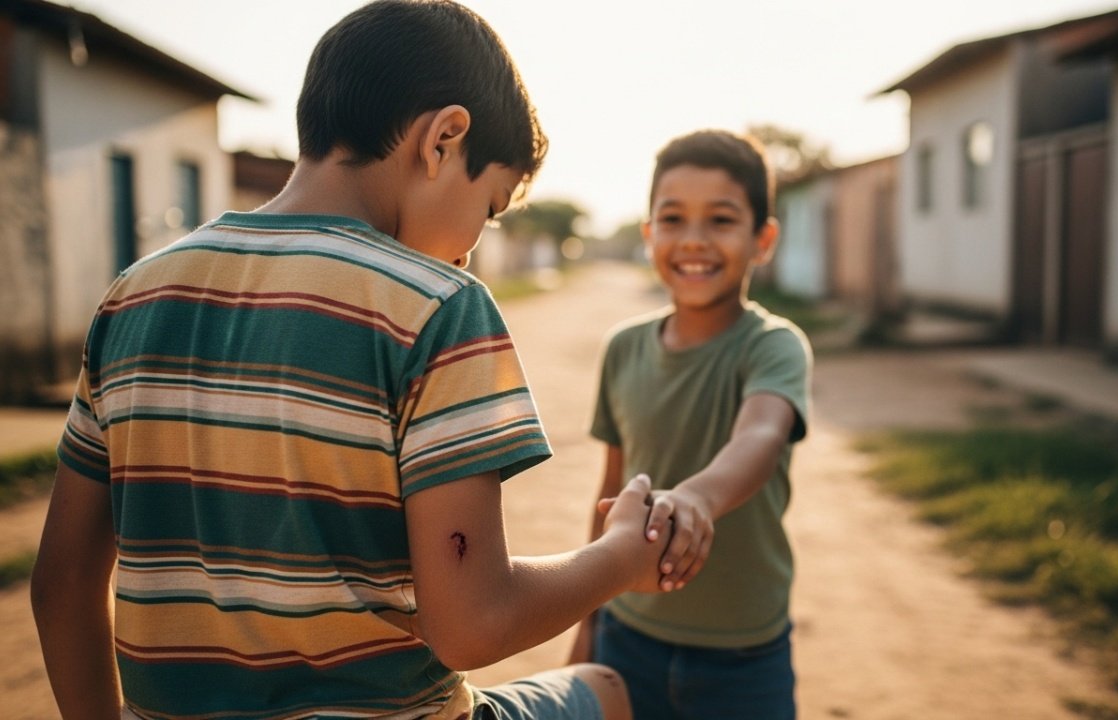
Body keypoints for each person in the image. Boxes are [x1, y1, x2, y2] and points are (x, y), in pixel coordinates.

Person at [30, 2, 676, 718]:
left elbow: (60, 585)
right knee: (608, 690)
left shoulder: (133, 296)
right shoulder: (438, 304)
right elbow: (474, 624)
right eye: (489, 208)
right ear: (444, 139)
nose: (470, 249)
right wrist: (620, 556)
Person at [567, 129, 813, 719]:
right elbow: (611, 489)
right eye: (673, 219)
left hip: (744, 657)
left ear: (764, 239)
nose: (694, 241)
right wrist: (586, 624)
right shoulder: (623, 348)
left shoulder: (774, 347)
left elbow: (760, 434)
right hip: (626, 637)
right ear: (650, 233)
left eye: (721, 220)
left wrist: (698, 497)